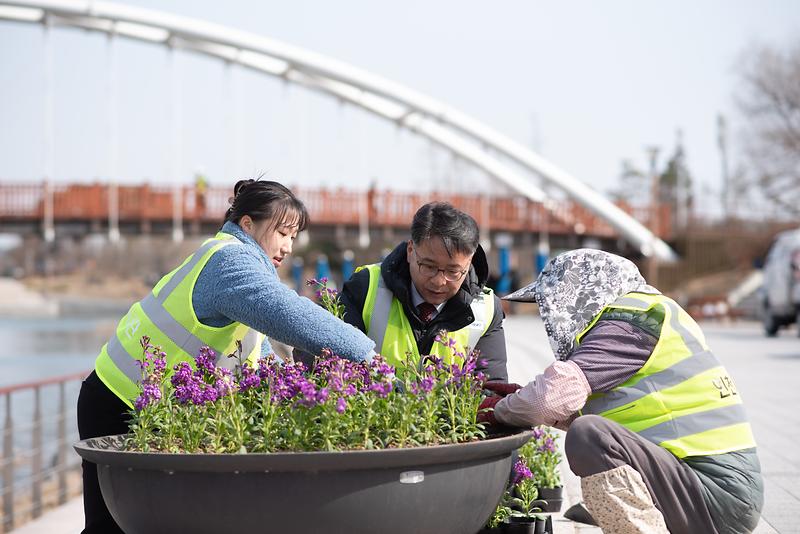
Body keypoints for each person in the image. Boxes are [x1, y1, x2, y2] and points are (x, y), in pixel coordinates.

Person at [76, 179, 376, 534]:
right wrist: (368, 357)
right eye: (282, 232)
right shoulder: (230, 262)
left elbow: (260, 358)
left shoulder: (236, 266)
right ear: (247, 224)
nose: (288, 247)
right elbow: (293, 315)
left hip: (139, 404)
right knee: (112, 528)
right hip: (119, 403)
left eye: (294, 237)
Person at [480, 249, 763, 534]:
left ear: (578, 294)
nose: (548, 316)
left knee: (589, 435)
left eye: (550, 305)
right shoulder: (649, 312)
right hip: (718, 488)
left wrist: (495, 411)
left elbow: (549, 399)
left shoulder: (633, 322)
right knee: (590, 430)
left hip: (715, 494)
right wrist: (519, 398)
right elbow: (583, 408)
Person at [338, 201, 508, 380]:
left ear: (470, 262)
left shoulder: (486, 310)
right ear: (411, 250)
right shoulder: (366, 287)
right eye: (428, 266)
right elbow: (335, 368)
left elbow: (491, 389)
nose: (439, 281)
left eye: (453, 271)